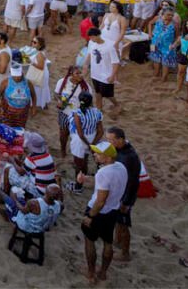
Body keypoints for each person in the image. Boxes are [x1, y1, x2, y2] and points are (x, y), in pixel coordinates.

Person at [78, 141, 129, 284]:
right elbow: (107, 184)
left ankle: (91, 274)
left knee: (89, 241)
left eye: (98, 153)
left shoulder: (103, 172)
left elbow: (100, 200)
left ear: (107, 157)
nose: (94, 154)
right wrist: (86, 179)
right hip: (113, 211)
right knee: (108, 242)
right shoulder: (120, 167)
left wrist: (90, 216)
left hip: (98, 212)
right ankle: (103, 273)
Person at [106, 127, 140, 262]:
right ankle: (117, 240)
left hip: (125, 197)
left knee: (123, 224)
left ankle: (125, 253)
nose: (108, 143)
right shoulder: (121, 150)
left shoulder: (129, 157)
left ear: (120, 139)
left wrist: (125, 202)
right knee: (117, 221)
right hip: (119, 193)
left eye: (111, 140)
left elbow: (131, 182)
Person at [66, 92, 104, 195]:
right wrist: (92, 144)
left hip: (80, 140)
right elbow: (101, 131)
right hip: (93, 137)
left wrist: (87, 144)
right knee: (85, 160)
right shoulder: (97, 112)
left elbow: (80, 133)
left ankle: (78, 186)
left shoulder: (77, 113)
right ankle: (83, 179)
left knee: (79, 164)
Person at [83, 27, 121, 114]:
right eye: (90, 37)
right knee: (97, 92)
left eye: (93, 37)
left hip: (106, 75)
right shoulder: (91, 43)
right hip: (95, 74)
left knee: (108, 95)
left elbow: (115, 62)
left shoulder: (110, 45)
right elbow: (89, 55)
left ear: (98, 35)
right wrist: (85, 66)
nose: (91, 39)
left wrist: (112, 76)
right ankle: (99, 109)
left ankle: (117, 104)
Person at [54, 66, 89, 153]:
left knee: (77, 135)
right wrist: (59, 100)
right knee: (63, 133)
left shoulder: (85, 86)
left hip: (77, 115)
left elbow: (89, 101)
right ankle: (63, 151)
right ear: (71, 74)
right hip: (64, 113)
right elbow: (56, 94)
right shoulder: (62, 82)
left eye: (81, 73)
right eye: (77, 73)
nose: (80, 75)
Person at [147, 7, 179, 83]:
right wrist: (150, 33)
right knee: (155, 59)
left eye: (172, 15)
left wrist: (173, 45)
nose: (170, 17)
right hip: (154, 43)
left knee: (166, 62)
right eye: (168, 15)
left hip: (167, 46)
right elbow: (150, 23)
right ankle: (156, 74)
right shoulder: (157, 18)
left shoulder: (175, 24)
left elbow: (177, 36)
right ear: (163, 14)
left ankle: (164, 78)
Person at [0, 63, 33, 128]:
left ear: (22, 73)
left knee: (19, 130)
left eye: (18, 76)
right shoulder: (6, 81)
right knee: (7, 128)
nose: (16, 78)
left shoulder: (28, 83)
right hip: (8, 111)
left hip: (22, 112)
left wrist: (34, 107)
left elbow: (33, 95)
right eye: (14, 76)